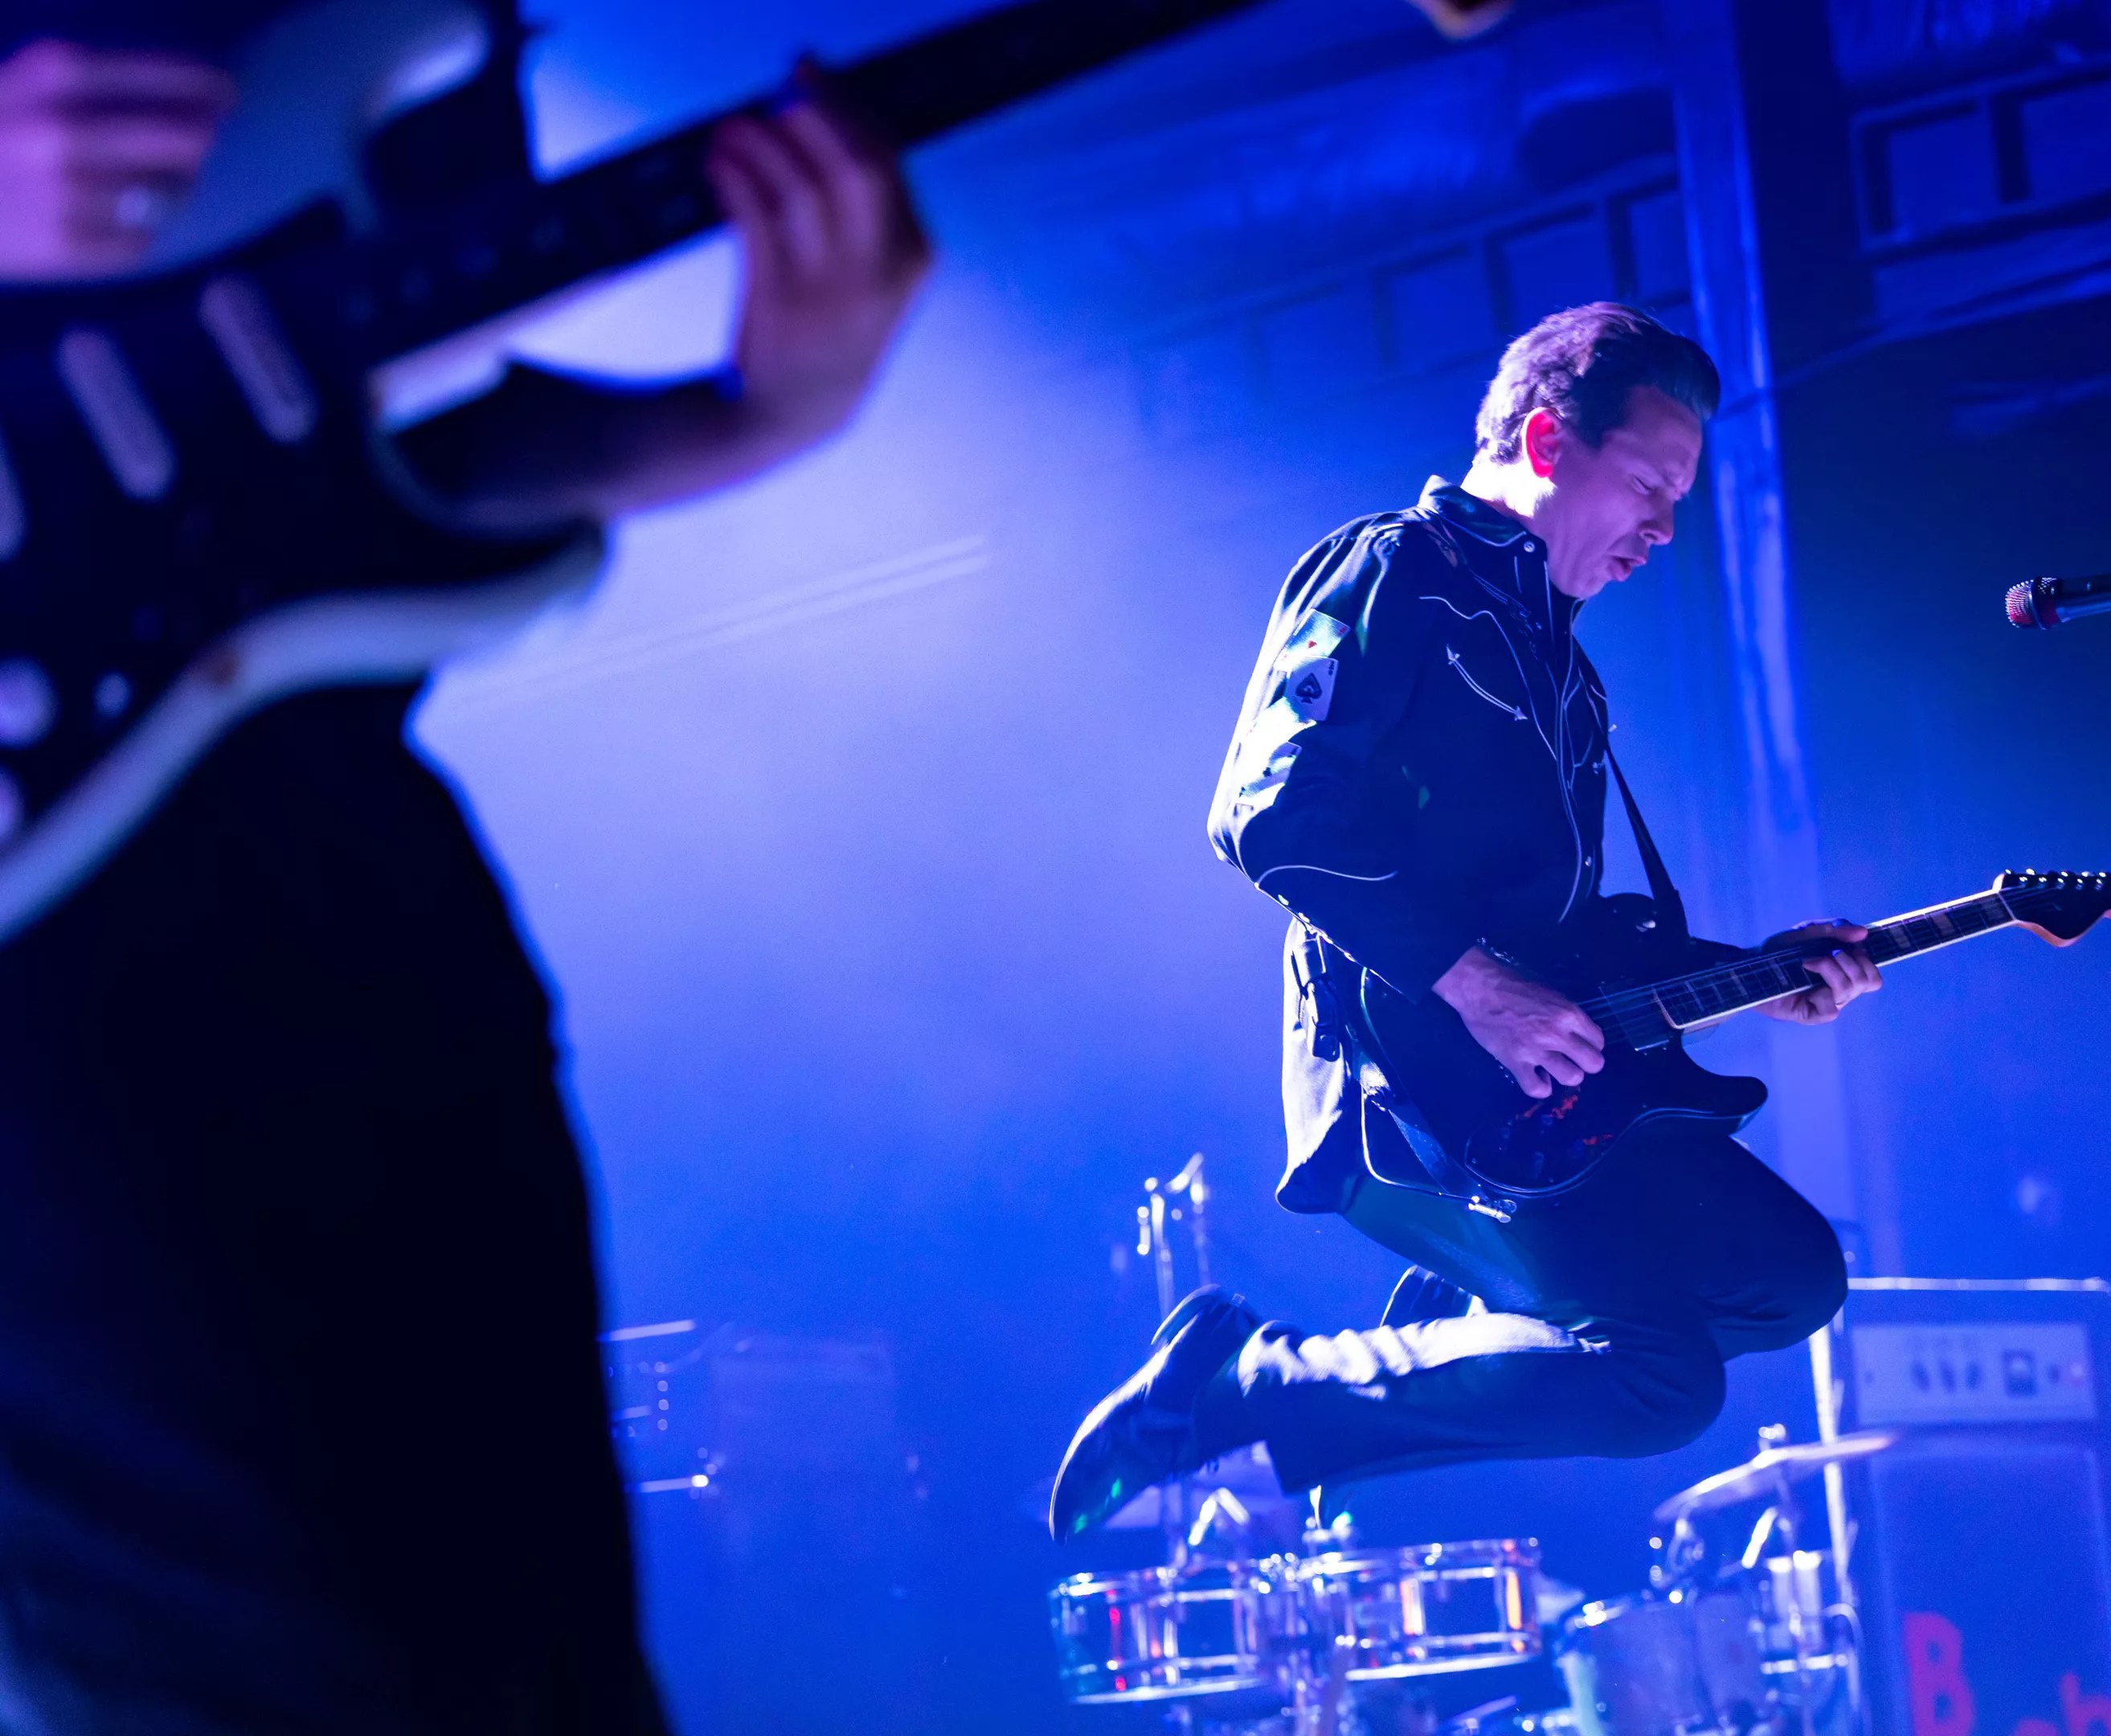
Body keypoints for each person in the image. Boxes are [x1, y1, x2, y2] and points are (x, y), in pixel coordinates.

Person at [0, 10, 924, 1730]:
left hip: (357, 906)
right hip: (48, 1012)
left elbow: (351, 438)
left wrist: (745, 414)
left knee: (533, 1678)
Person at [1051, 304, 1876, 1538]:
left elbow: (1578, 948)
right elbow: (1266, 812)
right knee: (1660, 1383)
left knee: (1792, 1278)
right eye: (1648, 484)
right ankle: (1247, 1379)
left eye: (1678, 498)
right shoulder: (1394, 571)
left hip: (1535, 1101)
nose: (1665, 525)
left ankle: (1432, 1346)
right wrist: (1480, 989)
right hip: (1405, 1085)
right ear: (1545, 439)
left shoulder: (1568, 675)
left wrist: (1760, 973)